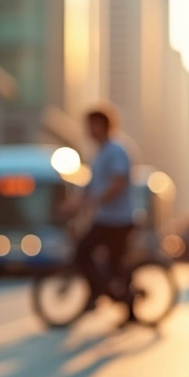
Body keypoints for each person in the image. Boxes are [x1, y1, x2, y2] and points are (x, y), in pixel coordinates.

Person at [68, 108, 138, 326]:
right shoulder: (98, 153)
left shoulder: (116, 150)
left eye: (91, 125)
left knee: (86, 253)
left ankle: (102, 294)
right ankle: (116, 298)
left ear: (103, 125)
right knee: (110, 264)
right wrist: (71, 205)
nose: (88, 130)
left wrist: (96, 200)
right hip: (105, 219)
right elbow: (88, 187)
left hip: (118, 220)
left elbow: (118, 182)